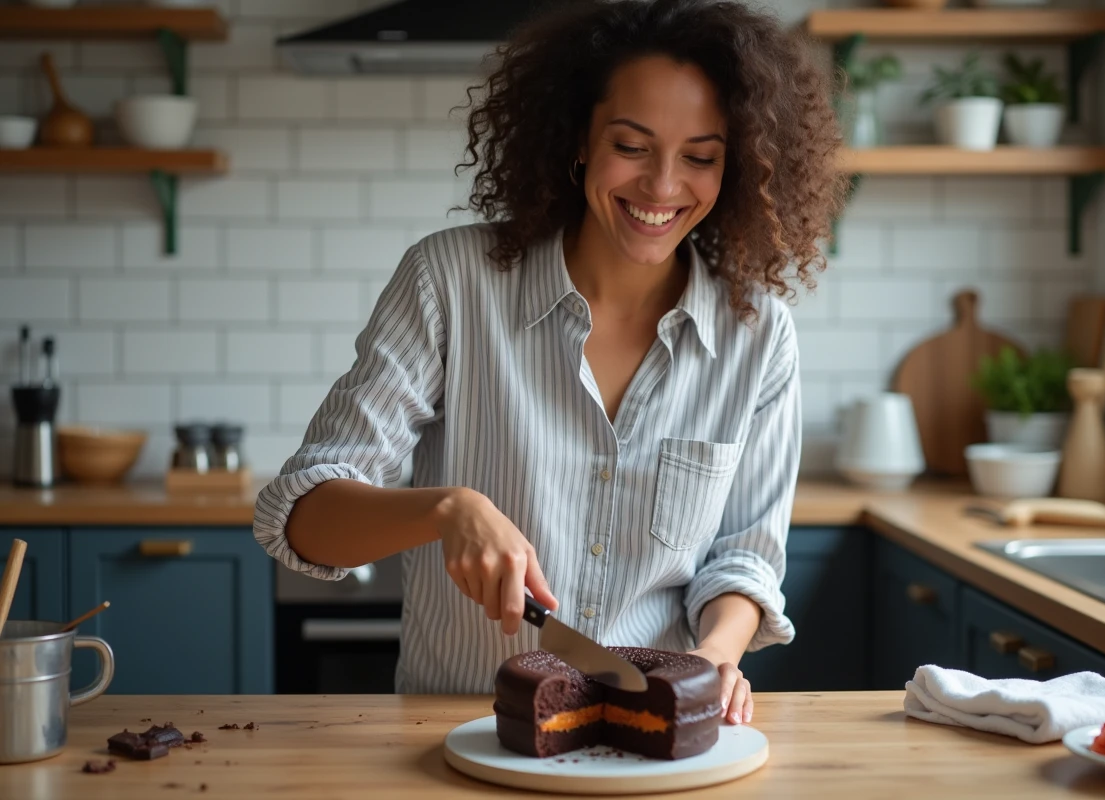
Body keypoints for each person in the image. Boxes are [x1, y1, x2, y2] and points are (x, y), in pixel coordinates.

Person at [254, 0, 845, 725]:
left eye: (700, 156)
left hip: (648, 738)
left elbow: (744, 559)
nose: (663, 187)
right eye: (631, 146)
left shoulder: (758, 335)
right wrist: (447, 509)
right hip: (455, 739)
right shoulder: (450, 283)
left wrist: (717, 656)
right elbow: (306, 519)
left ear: (738, 165)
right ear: (577, 139)